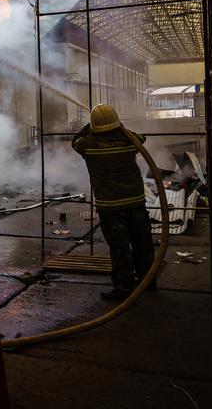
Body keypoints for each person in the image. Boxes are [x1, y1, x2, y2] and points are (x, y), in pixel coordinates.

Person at [72, 104, 155, 302]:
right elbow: (141, 138)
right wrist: (120, 127)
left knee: (119, 249)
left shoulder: (87, 145)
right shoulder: (129, 141)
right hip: (135, 202)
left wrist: (88, 127)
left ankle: (124, 287)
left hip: (110, 206)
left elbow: (74, 142)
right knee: (142, 243)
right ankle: (148, 281)